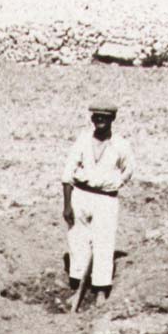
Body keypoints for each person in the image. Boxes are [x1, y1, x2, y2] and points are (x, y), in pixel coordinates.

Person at [61, 100, 135, 309]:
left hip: (106, 198)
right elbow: (67, 173)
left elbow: (128, 170)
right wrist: (67, 205)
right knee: (78, 239)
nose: (100, 120)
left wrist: (114, 183)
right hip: (81, 195)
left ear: (112, 119)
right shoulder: (82, 141)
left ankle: (101, 289)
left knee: (104, 241)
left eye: (104, 117)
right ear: (92, 119)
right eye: (96, 116)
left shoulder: (121, 145)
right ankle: (77, 287)